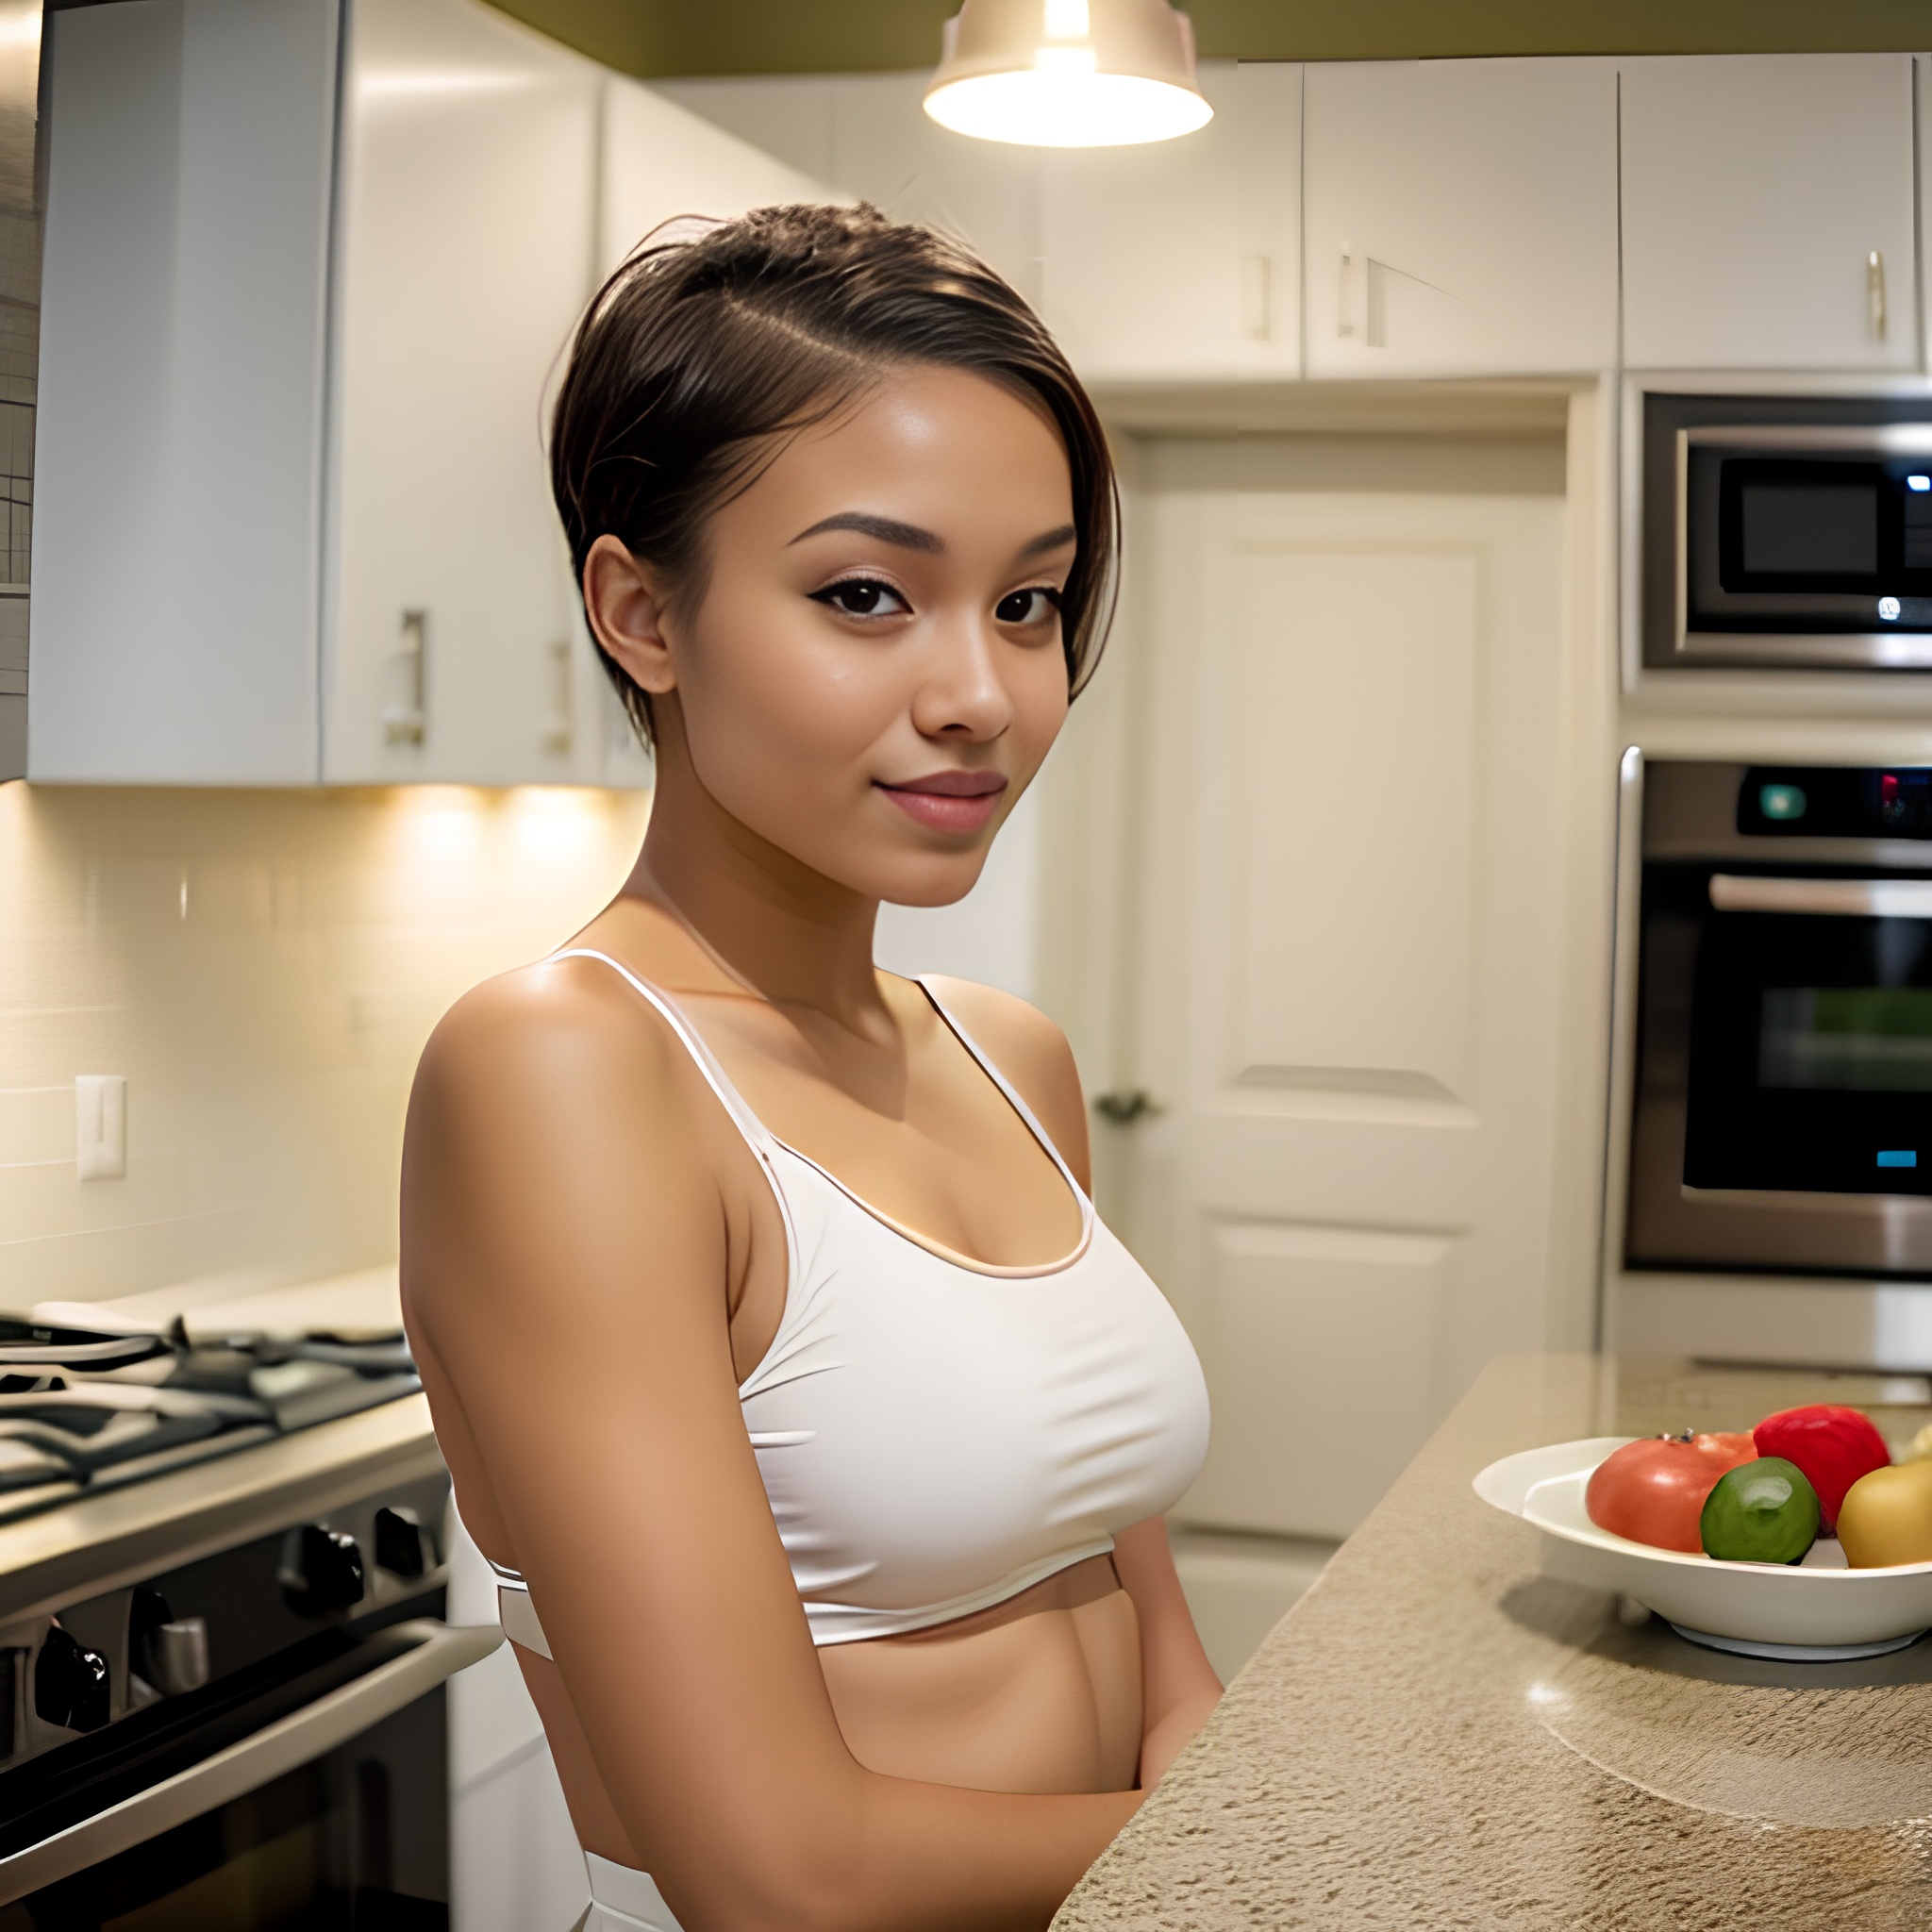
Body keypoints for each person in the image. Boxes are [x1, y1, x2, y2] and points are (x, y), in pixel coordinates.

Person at [401, 203, 1218, 1932]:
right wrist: (1300, 1842)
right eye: (867, 595)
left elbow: (1142, 1622)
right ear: (642, 613)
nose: (985, 693)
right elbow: (776, 1873)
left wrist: (1235, 1837)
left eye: (1029, 602)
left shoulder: (1009, 1058)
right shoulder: (563, 1069)